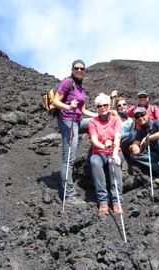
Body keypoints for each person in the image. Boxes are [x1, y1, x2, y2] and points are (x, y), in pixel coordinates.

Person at [53, 59, 97, 206]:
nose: (79, 70)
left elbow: (83, 110)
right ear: (72, 69)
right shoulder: (67, 82)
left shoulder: (81, 89)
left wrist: (101, 116)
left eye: (82, 68)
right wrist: (68, 106)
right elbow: (55, 101)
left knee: (96, 122)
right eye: (76, 68)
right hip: (67, 121)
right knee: (69, 159)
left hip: (77, 121)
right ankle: (69, 196)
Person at [88, 93, 124, 216]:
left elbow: (118, 137)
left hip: (115, 151)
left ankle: (116, 200)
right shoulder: (93, 122)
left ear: (109, 106)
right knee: (94, 162)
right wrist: (104, 146)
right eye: (99, 106)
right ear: (97, 108)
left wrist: (114, 154)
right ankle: (103, 200)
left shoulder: (115, 119)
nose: (102, 107)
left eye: (105, 105)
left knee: (113, 162)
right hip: (99, 152)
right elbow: (94, 139)